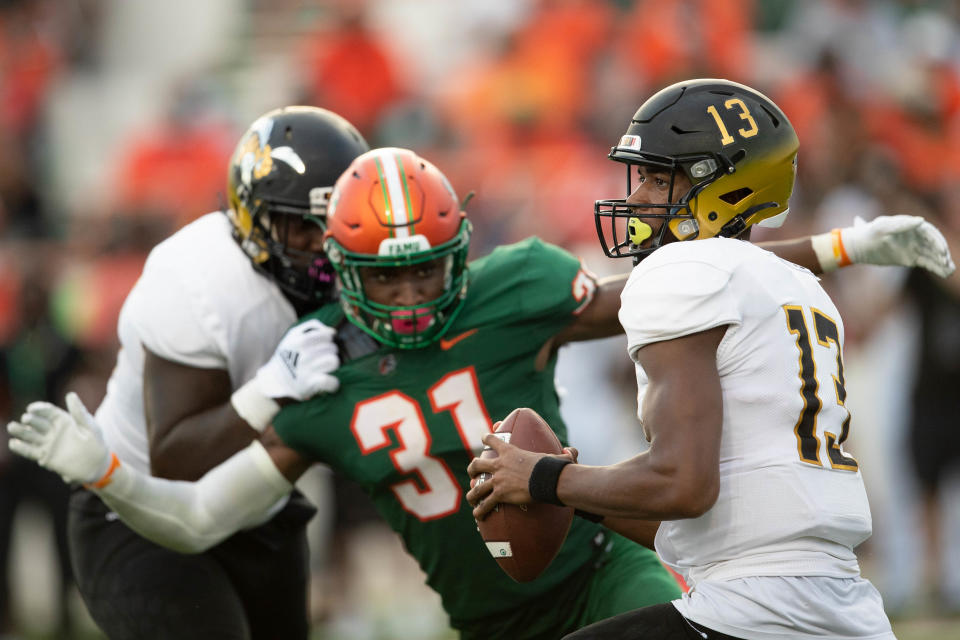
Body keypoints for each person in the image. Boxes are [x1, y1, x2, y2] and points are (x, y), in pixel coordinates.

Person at [7, 145, 952, 638]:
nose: (413, 295)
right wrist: (108, 477)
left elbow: (684, 281)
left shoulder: (515, 291)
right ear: (342, 272)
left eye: (429, 273)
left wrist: (843, 246)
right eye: (386, 277)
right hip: (487, 616)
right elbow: (201, 517)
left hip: (600, 571)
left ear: (464, 254)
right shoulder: (322, 375)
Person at [466, 79, 924, 639]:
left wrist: (544, 476)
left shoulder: (683, 273)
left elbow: (683, 485)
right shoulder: (799, 285)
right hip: (840, 609)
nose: (636, 199)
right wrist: (577, 492)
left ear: (723, 188)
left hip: (753, 613)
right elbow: (709, 524)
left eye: (659, 179)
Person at [61, 105, 369, 639]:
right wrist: (269, 390)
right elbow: (178, 459)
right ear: (255, 217)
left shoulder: (358, 274)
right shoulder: (197, 281)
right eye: (303, 225)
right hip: (137, 512)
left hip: (255, 509)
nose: (323, 245)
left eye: (337, 224)